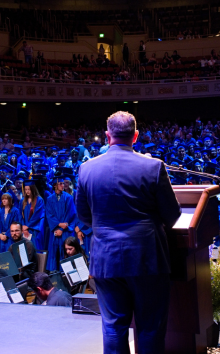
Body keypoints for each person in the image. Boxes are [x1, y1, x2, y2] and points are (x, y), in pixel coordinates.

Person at [76, 111, 181, 354]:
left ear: (107, 136)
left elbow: (83, 215)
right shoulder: (153, 167)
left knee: (113, 327)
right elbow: (172, 215)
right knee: (150, 327)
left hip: (105, 259)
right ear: (135, 136)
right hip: (147, 259)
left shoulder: (86, 169)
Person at [45, 176, 77, 272]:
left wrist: (62, 229)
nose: (62, 185)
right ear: (55, 185)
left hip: (65, 231)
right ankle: (55, 277)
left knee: (66, 253)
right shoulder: (50, 199)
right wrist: (59, 225)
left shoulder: (68, 197)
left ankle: (67, 275)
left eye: (63, 183)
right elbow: (49, 215)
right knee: (54, 254)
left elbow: (70, 214)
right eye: (60, 184)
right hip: (55, 230)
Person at [20, 180, 45, 251]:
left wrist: (28, 226)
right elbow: (20, 215)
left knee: (35, 248)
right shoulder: (22, 201)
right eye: (26, 189)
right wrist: (23, 226)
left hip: (34, 229)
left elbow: (37, 215)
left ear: (33, 189)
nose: (27, 191)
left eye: (29, 189)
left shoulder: (39, 200)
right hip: (24, 228)